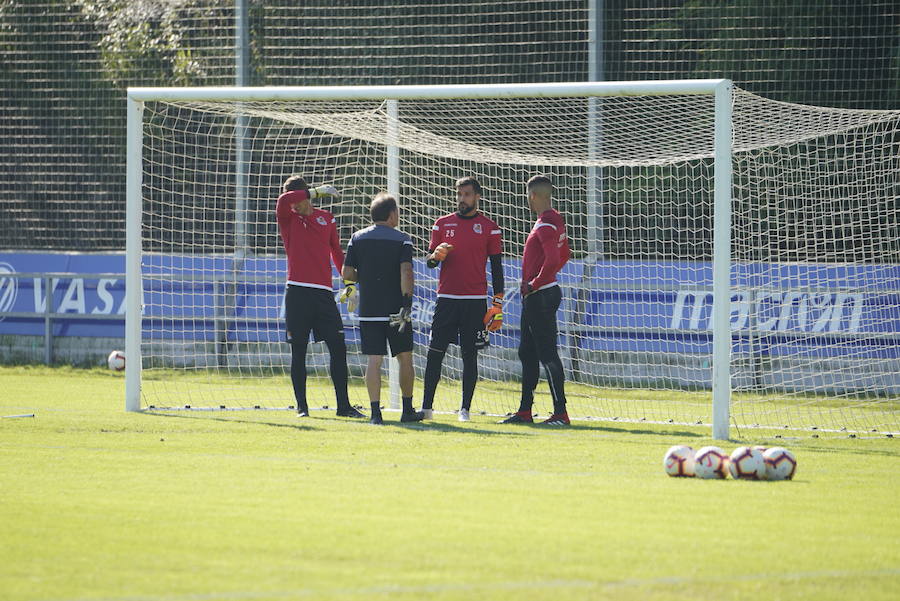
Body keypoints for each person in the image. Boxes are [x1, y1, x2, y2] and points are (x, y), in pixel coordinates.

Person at [275, 175, 365, 419]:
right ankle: (302, 407)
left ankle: (344, 407)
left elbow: (336, 252)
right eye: (295, 201)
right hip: (297, 292)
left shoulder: (326, 219)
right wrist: (314, 192)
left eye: (299, 200)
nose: (295, 206)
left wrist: (349, 283)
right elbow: (284, 200)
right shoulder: (287, 217)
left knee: (338, 347)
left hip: (324, 295)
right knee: (299, 351)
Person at [421, 176, 504, 422]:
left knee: (469, 355)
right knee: (435, 352)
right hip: (446, 299)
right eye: (459, 194)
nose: (462, 199)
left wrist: (497, 302)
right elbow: (430, 262)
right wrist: (436, 255)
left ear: (477, 196)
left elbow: (497, 268)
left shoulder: (489, 227)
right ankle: (426, 408)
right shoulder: (441, 224)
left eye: (467, 194)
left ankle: (465, 410)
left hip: (474, 300)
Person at [341, 192, 425, 425]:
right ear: (391, 215)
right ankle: (407, 410)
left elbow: (347, 273)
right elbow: (406, 272)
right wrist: (407, 304)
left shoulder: (357, 238)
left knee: (374, 360)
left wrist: (362, 280)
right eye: (397, 211)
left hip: (369, 310)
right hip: (396, 311)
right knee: (405, 358)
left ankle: (376, 414)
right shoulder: (402, 239)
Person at [500, 174, 572, 426]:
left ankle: (560, 414)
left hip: (540, 295)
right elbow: (565, 255)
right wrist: (541, 280)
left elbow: (553, 259)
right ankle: (524, 411)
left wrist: (535, 283)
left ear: (532, 196)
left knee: (547, 354)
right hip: (539, 294)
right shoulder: (554, 220)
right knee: (527, 353)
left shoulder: (545, 224)